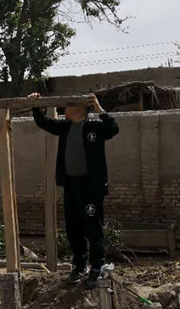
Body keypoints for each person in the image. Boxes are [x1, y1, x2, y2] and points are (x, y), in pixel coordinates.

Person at [28, 92, 119, 290]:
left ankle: (97, 266)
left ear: (78, 108)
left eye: (68, 106)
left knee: (93, 226)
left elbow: (113, 128)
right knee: (73, 226)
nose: (64, 109)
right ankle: (79, 265)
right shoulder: (65, 127)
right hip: (71, 185)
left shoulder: (94, 126)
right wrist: (36, 104)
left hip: (90, 186)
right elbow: (43, 123)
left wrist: (98, 108)